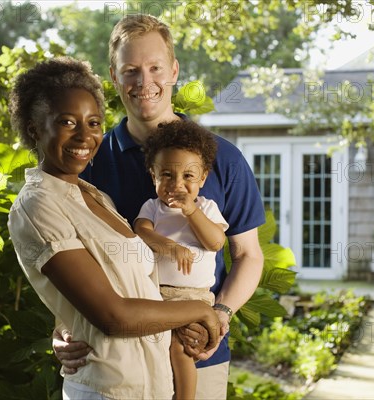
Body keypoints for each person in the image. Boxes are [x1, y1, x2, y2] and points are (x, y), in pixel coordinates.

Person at [53, 14, 265, 399]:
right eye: (130, 70)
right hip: (112, 361)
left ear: (174, 71)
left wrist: (220, 314)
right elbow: (66, 255)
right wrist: (62, 328)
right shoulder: (90, 161)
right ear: (114, 78)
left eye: (154, 68)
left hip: (197, 352)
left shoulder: (224, 159)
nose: (144, 82)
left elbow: (248, 254)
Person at [7, 56, 219, 400]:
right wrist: (199, 310)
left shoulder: (94, 196)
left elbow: (127, 289)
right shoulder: (38, 204)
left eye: (93, 123)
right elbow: (113, 316)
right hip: (108, 389)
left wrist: (67, 324)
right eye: (66, 121)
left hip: (154, 386)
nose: (85, 135)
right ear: (34, 128)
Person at [135, 120, 229, 399]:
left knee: (182, 348)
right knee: (153, 349)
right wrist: (168, 246)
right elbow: (140, 231)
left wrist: (191, 211)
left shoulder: (207, 208)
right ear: (153, 175)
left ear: (203, 178)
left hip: (194, 299)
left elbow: (215, 242)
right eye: (166, 175)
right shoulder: (152, 207)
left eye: (188, 176)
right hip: (156, 296)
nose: (177, 184)